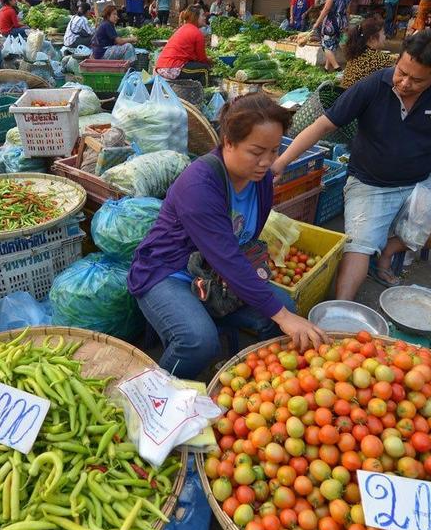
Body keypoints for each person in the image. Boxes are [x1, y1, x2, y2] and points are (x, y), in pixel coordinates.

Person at [271, 30, 431, 296]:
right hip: (369, 184)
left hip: (421, 180)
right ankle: (340, 308)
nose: (405, 83)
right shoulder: (372, 86)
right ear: (397, 60)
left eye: (417, 79)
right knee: (358, 251)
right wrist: (282, 161)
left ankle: (392, 246)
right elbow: (323, 125)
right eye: (401, 72)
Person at [128, 93, 328, 378]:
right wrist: (283, 318)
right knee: (199, 342)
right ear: (228, 142)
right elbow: (229, 259)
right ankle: (155, 393)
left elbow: (242, 246)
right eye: (256, 151)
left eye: (274, 150)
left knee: (285, 306)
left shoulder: (261, 181)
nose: (266, 161)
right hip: (167, 272)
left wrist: (281, 312)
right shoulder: (199, 186)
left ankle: (264, 380)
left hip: (212, 273)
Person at [311, 0, 351, 72]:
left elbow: (326, 9)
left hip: (331, 23)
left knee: (326, 46)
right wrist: (347, 23)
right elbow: (347, 11)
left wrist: (317, 22)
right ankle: (326, 68)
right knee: (332, 45)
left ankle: (337, 68)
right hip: (342, 22)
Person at [154, 9, 209, 80]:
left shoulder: (184, 28)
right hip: (171, 68)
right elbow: (202, 59)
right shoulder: (197, 33)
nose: (205, 17)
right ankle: (203, 90)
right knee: (205, 69)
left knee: (196, 67)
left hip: (162, 66)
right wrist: (210, 61)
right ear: (196, 17)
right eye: (202, 15)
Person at [340, 15, 391, 88]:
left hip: (346, 95)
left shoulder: (356, 52)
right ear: (372, 38)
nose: (385, 36)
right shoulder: (382, 59)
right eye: (383, 33)